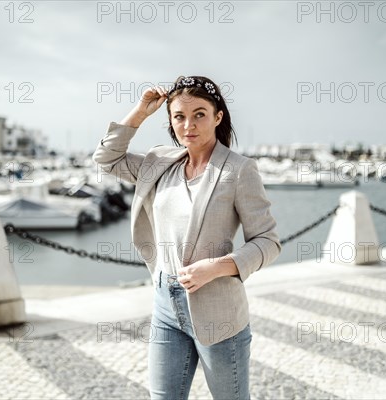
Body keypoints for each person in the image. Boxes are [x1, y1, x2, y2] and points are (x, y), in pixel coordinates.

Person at [93, 75, 281, 399]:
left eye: (199, 114)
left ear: (217, 117)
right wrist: (140, 111)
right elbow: (106, 159)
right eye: (179, 116)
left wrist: (218, 267)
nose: (188, 125)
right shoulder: (159, 163)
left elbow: (268, 240)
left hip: (218, 310)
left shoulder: (239, 171)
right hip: (166, 303)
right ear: (169, 120)